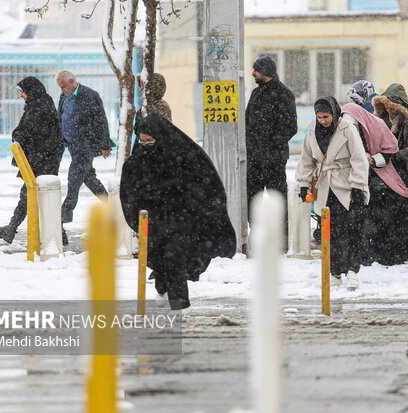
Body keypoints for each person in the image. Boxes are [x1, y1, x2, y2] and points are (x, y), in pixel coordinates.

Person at [120, 114, 236, 311]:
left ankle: (180, 304)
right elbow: (129, 191)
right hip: (153, 219)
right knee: (158, 257)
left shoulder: (183, 154)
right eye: (142, 141)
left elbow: (203, 183)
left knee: (174, 257)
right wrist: (135, 215)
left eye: (151, 141)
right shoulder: (137, 161)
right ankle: (163, 287)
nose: (146, 145)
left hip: (180, 217)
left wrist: (191, 206)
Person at [295, 97, 369, 289]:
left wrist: (358, 186)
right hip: (325, 186)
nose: (323, 121)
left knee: (352, 230)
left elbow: (359, 159)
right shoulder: (313, 130)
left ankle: (353, 270)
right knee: (329, 232)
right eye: (319, 117)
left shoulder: (347, 129)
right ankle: (334, 271)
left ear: (334, 113)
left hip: (346, 186)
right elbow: (306, 159)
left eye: (326, 116)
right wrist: (304, 183)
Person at [0, 76, 64, 244]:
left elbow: (28, 131)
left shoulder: (39, 107)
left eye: (22, 92)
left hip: (43, 158)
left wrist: (17, 135)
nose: (21, 95)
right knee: (41, 194)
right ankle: (12, 229)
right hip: (44, 157)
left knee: (34, 194)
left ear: (31, 91)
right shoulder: (40, 103)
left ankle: (11, 229)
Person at [341, 103, 408, 266]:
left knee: (387, 219)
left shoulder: (377, 126)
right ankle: (368, 254)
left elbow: (391, 152)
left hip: (385, 179)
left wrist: (372, 160)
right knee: (368, 220)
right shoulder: (345, 132)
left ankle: (391, 254)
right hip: (361, 179)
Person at [245, 55, 298, 244]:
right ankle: (256, 235)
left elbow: (290, 127)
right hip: (254, 158)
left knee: (278, 197)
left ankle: (282, 237)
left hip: (274, 158)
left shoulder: (284, 94)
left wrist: (269, 144)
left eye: (256, 70)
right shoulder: (255, 94)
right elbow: (247, 123)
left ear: (265, 71)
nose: (253, 73)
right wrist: (251, 146)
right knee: (253, 197)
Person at [56, 70, 115, 224]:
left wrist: (104, 145)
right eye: (60, 88)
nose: (62, 90)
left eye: (63, 87)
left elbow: (101, 120)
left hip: (86, 143)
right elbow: (61, 116)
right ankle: (111, 205)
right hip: (72, 145)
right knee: (88, 177)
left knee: (74, 176)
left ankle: (64, 213)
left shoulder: (89, 95)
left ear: (71, 82)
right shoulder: (64, 96)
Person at [373, 83, 408, 187]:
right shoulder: (381, 121)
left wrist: (397, 154)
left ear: (400, 107)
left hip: (407, 169)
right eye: (387, 107)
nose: (389, 111)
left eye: (392, 108)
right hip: (388, 168)